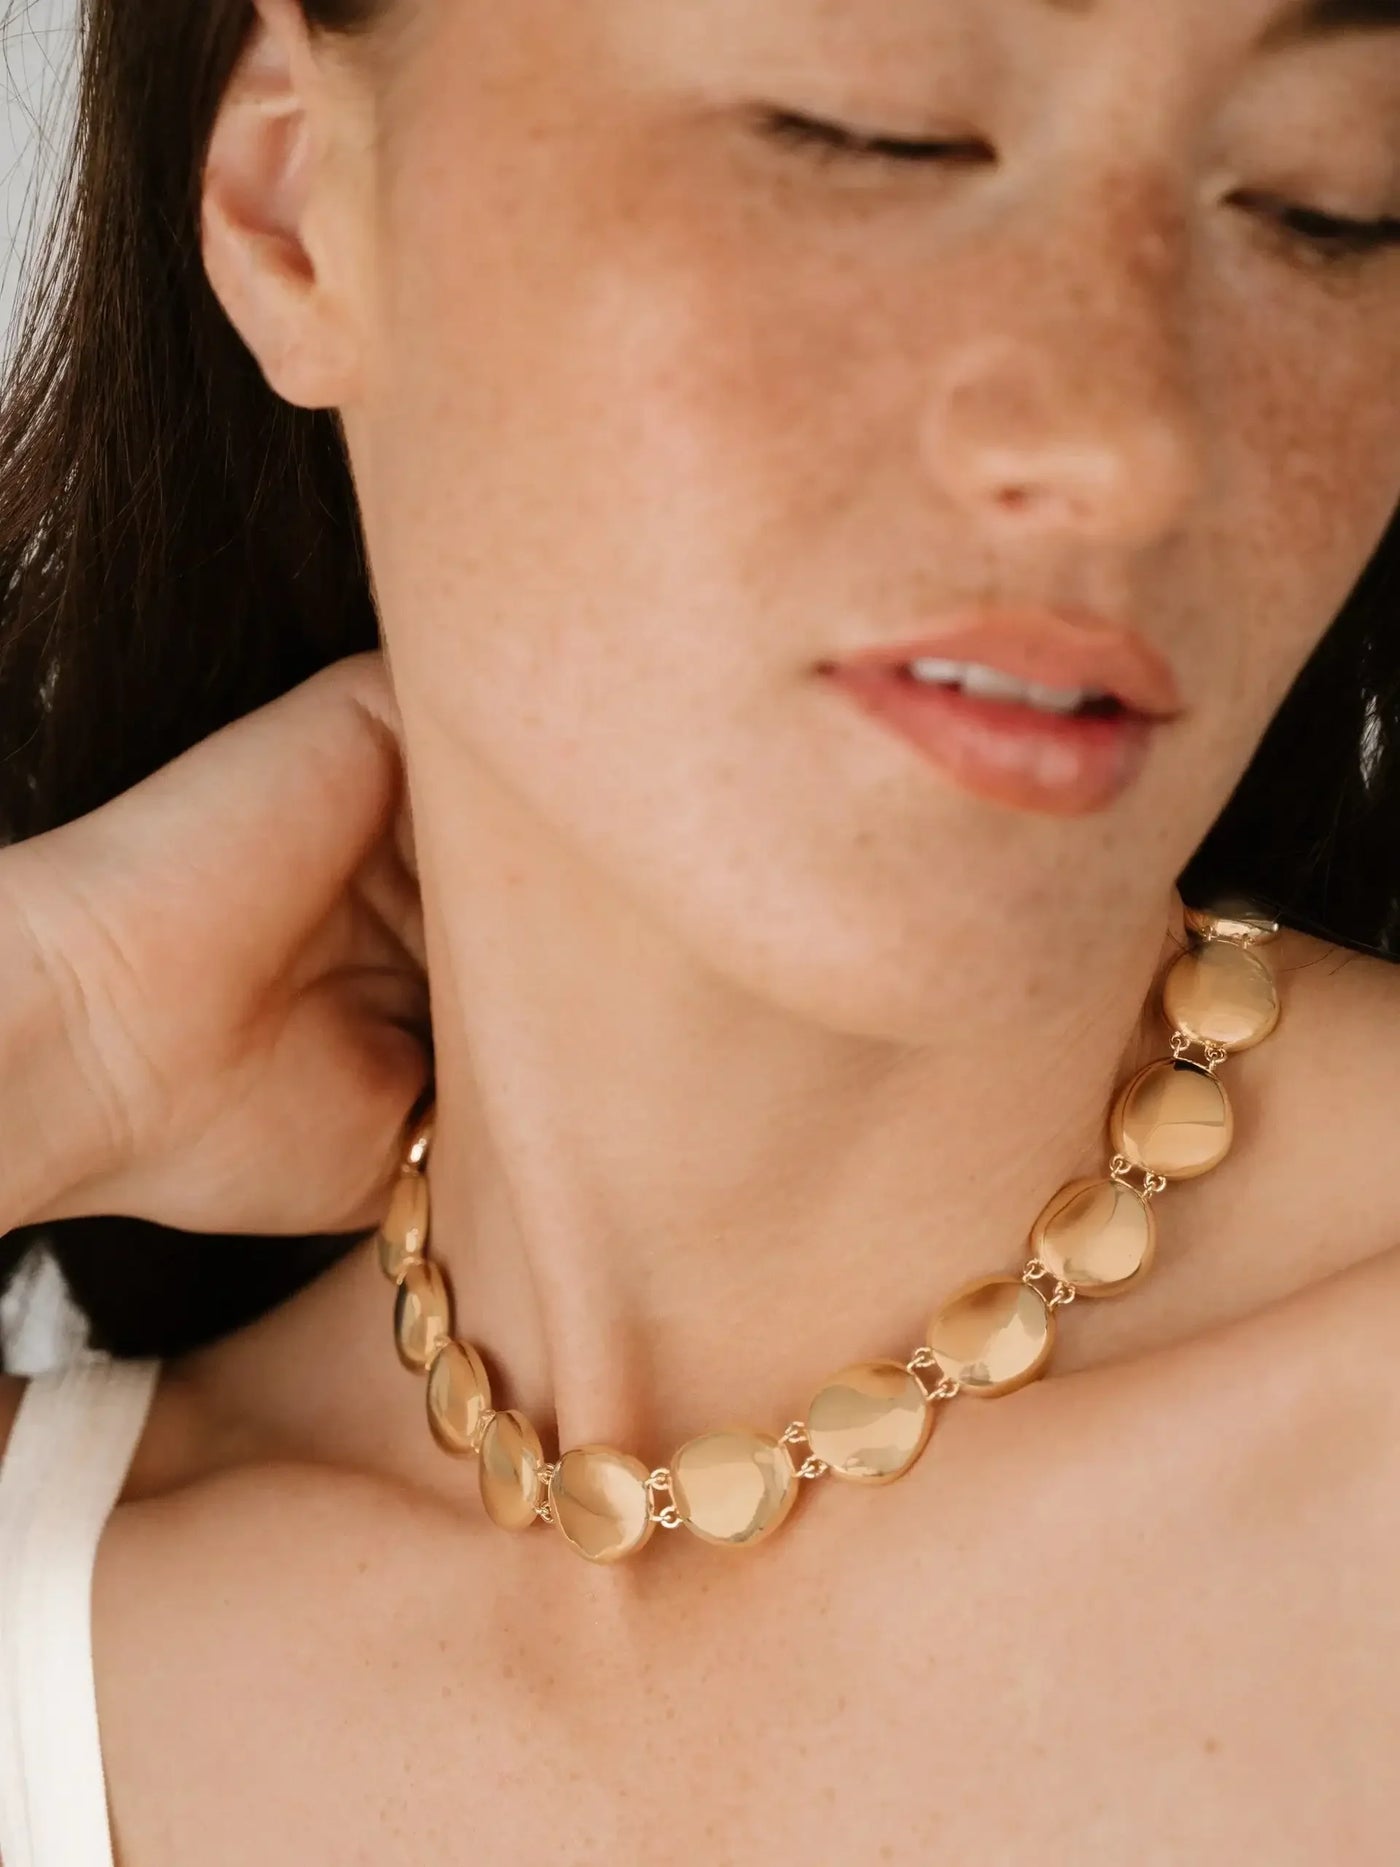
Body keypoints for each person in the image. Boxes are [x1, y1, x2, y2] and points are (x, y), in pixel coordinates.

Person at [1, 0, 1398, 1859]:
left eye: (1330, 204)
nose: (1133, 444)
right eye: (871, 130)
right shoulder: (70, 1589)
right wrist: (55, 1024)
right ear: (293, 200)